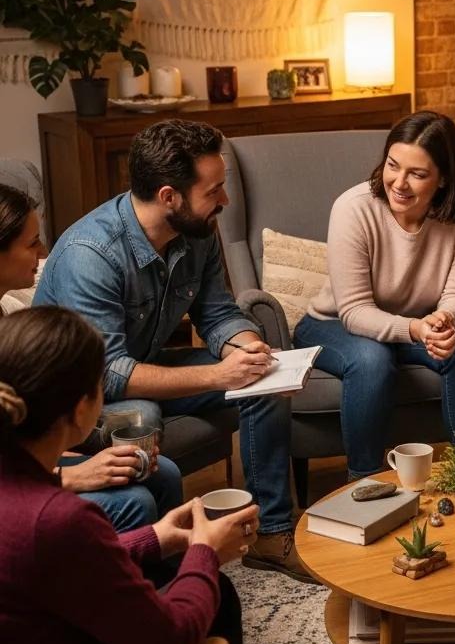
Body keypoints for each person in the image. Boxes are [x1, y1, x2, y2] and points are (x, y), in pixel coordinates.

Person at [0, 307, 269, 644]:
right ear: (83, 411)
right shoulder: (57, 519)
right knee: (216, 601)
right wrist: (205, 553)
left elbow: (45, 573)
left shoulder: (30, 506)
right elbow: (171, 643)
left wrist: (157, 539)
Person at [33, 119, 311, 582]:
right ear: (169, 197)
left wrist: (250, 349)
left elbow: (218, 313)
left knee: (260, 383)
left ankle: (270, 536)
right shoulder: (92, 253)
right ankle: (157, 561)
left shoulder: (197, 231)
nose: (224, 201)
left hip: (141, 365)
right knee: (139, 414)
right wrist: (221, 376)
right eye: (215, 190)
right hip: (80, 394)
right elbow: (111, 375)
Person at [293, 110, 455, 478]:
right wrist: (417, 329)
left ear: (443, 178)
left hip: (419, 323)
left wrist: (445, 319)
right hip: (333, 324)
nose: (399, 183)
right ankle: (363, 483)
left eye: (417, 174)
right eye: (393, 165)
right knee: (371, 358)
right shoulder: (354, 208)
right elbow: (354, 311)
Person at [0, 181, 183, 532]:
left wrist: (85, 462)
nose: (43, 253)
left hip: (23, 463)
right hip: (14, 483)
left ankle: (162, 581)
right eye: (32, 242)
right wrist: (69, 476)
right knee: (133, 501)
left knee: (164, 475)